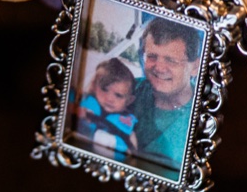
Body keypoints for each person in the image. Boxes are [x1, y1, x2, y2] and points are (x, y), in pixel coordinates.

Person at [128, 18, 203, 179]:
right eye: (152, 56)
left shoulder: (204, 116)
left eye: (171, 60)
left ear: (195, 67)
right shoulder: (126, 90)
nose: (159, 68)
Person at [73, 57, 137, 156]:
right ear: (94, 86)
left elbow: (133, 150)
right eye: (104, 89)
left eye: (118, 95)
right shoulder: (84, 105)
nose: (109, 98)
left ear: (129, 101)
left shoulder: (129, 123)